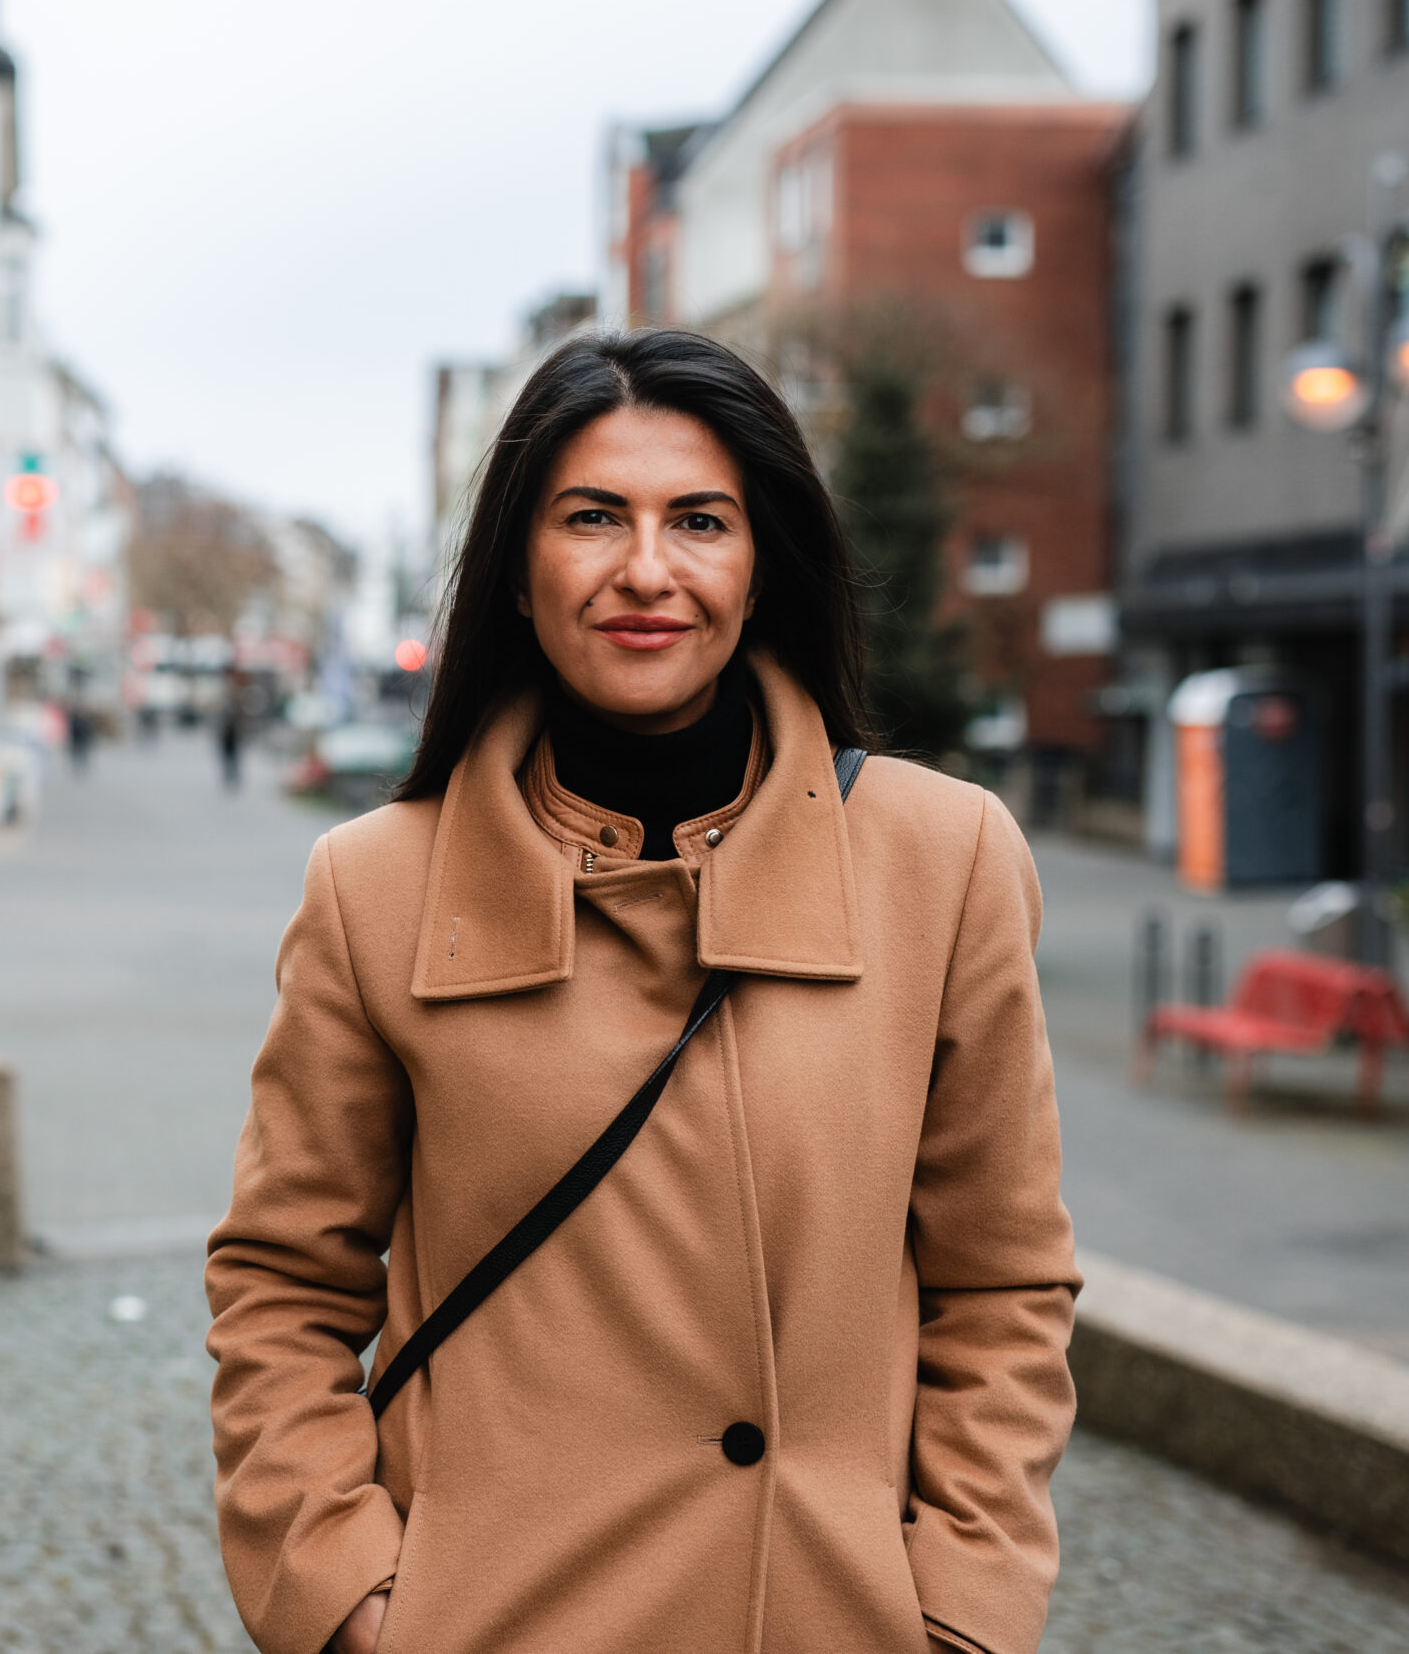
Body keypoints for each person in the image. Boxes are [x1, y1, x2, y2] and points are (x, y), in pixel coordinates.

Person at [205, 330, 1075, 1654]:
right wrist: (345, 1600)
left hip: (822, 1617)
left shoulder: (940, 859)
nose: (647, 570)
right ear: (517, 571)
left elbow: (1001, 1282)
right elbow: (284, 1283)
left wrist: (963, 1607)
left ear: (761, 563)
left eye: (701, 522)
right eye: (593, 518)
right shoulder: (377, 889)